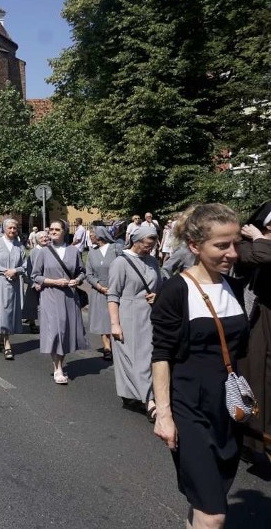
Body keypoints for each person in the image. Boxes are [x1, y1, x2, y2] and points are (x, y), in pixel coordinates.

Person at [151, 203, 248, 529]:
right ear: (195, 246)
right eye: (221, 245)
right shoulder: (176, 291)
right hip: (189, 406)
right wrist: (163, 414)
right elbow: (161, 354)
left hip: (228, 409)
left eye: (235, 243)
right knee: (214, 514)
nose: (232, 253)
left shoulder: (233, 287)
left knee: (206, 501)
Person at [108, 225, 162, 420]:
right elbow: (113, 295)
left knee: (149, 358)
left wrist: (158, 296)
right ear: (136, 242)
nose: (150, 249)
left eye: (153, 245)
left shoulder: (153, 262)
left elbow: (161, 286)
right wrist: (115, 324)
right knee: (136, 359)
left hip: (150, 315)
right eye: (147, 245)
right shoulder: (120, 263)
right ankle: (150, 401)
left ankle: (135, 395)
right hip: (129, 315)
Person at [236, 200, 271, 465]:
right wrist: (259, 238)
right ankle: (252, 439)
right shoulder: (247, 244)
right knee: (256, 374)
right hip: (260, 317)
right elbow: (261, 257)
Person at [31, 220, 87, 384]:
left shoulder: (73, 251)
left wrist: (76, 280)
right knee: (55, 331)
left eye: (57, 229)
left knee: (65, 331)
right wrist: (55, 282)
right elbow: (35, 276)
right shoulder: (43, 252)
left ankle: (60, 363)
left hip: (69, 297)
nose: (53, 232)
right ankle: (58, 368)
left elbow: (82, 272)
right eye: (51, 229)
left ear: (64, 231)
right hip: (50, 295)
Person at [0, 219, 26, 359]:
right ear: (4, 229)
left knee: (11, 313)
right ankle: (7, 344)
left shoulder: (19, 245)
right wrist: (6, 271)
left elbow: (25, 265)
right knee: (3, 312)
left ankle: (2, 339)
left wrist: (15, 270)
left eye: (15, 228)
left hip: (14, 283)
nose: (12, 230)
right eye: (9, 228)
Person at [86, 226, 119, 361]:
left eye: (91, 235)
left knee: (115, 318)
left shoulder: (116, 249)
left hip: (116, 289)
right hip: (99, 291)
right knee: (102, 319)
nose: (90, 237)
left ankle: (117, 344)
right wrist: (99, 286)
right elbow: (88, 273)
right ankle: (107, 347)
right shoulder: (91, 253)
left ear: (99, 236)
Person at [21, 231, 47, 333]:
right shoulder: (34, 252)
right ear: (37, 240)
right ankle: (32, 323)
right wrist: (33, 283)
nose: (44, 239)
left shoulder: (51, 249)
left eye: (46, 237)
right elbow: (29, 268)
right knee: (32, 304)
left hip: (47, 281)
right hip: (35, 281)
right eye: (42, 238)